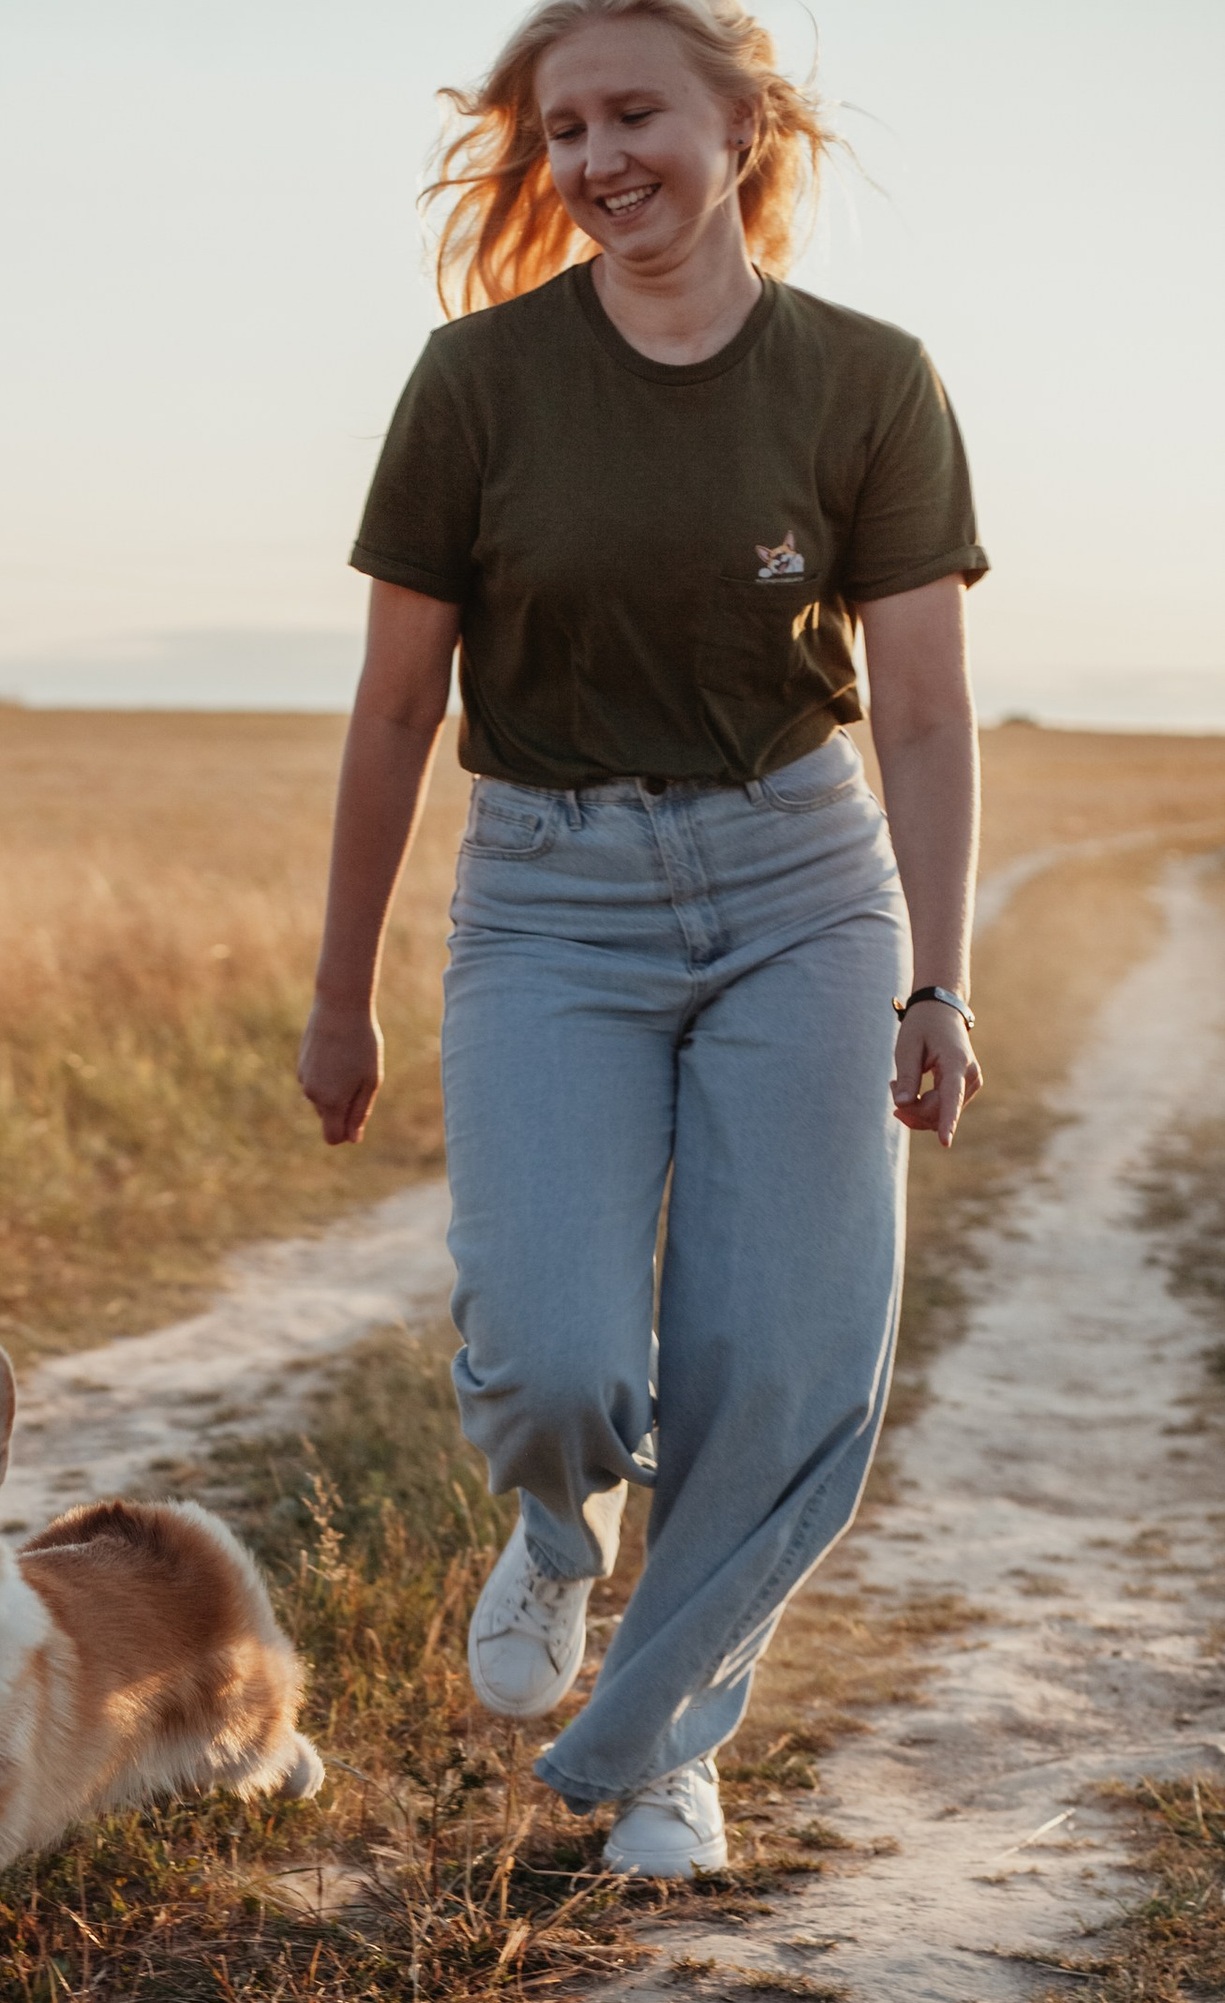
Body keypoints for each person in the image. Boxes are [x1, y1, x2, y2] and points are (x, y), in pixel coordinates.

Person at [299, 0, 982, 1876]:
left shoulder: (870, 381)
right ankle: (555, 1535)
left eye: (634, 115)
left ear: (743, 121)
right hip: (549, 897)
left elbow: (919, 708)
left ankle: (672, 1749)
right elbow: (389, 712)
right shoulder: (476, 384)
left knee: (772, 1366)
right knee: (556, 1367)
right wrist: (341, 990)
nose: (598, 162)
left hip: (798, 889)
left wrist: (938, 975)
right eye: (563, 131)